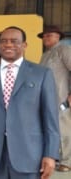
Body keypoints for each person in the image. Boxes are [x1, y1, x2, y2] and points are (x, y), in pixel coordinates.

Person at [0, 26, 60, 179]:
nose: (8, 45)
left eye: (14, 41)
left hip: (30, 156)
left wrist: (50, 154)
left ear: (24, 45)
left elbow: (50, 118)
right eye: (3, 41)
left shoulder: (42, 74)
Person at [38, 25, 71, 172]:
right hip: (46, 98)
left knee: (63, 128)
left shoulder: (64, 50)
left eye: (49, 35)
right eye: (44, 36)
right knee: (50, 129)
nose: (46, 38)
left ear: (58, 36)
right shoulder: (45, 55)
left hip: (62, 98)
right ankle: (54, 158)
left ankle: (67, 161)